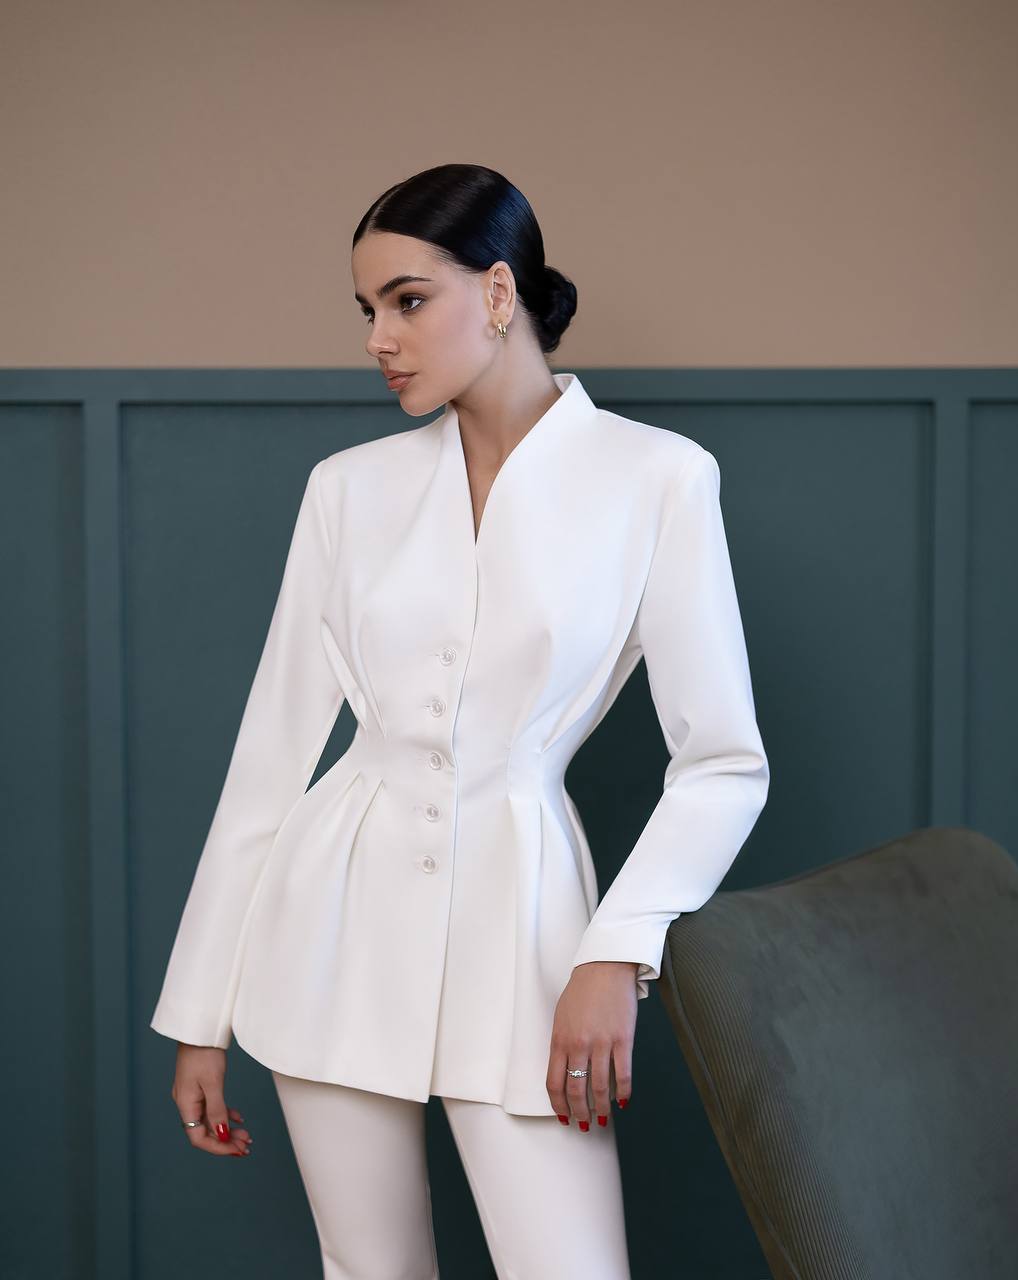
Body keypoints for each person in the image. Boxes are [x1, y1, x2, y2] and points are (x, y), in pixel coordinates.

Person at [151, 162, 770, 1279]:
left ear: (496, 293)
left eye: (405, 299)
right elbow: (273, 752)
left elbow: (723, 761)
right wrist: (203, 1007)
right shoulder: (347, 488)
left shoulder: (658, 480)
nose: (379, 338)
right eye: (366, 311)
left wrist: (616, 952)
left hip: (531, 941)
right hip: (328, 930)